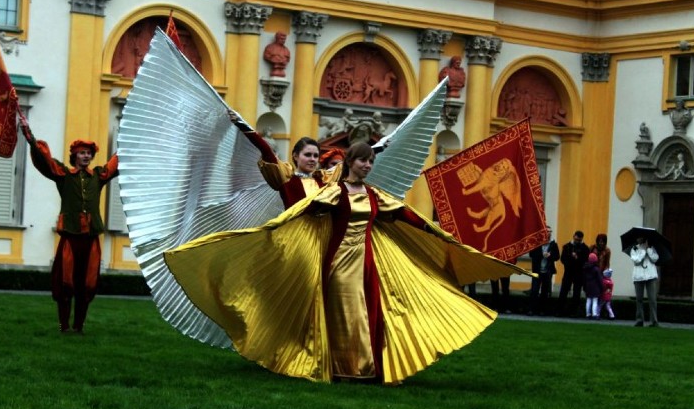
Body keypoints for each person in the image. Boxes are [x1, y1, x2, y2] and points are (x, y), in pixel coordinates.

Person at [163, 141, 525, 384]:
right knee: (342, 313)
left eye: (371, 161)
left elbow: (411, 218)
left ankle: (364, 370)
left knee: (370, 314)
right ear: (349, 163)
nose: (368, 165)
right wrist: (264, 233)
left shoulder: (374, 196)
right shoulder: (333, 192)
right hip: (336, 262)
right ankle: (341, 368)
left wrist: (445, 238)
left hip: (367, 262)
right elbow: (301, 212)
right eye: (363, 160)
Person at [20, 122, 119, 333]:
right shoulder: (64, 176)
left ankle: (79, 326)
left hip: (90, 238)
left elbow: (115, 163)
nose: (86, 156)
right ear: (74, 156)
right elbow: (44, 161)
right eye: (82, 153)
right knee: (66, 283)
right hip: (70, 239)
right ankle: (64, 326)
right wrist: (30, 138)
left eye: (89, 153)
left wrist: (131, 143)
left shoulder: (98, 177)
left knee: (88, 284)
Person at [229, 112, 340, 208]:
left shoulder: (324, 179)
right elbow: (266, 151)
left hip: (319, 232)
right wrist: (242, 124)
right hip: (292, 231)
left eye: (315, 156)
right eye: (307, 155)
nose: (312, 159)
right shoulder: (286, 177)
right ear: (295, 156)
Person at [557, 230, 590, 316]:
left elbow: (585, 261)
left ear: (581, 239)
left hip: (579, 273)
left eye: (579, 240)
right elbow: (563, 259)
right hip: (568, 272)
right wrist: (570, 259)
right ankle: (560, 311)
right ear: (573, 237)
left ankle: (573, 312)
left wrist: (577, 258)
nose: (577, 241)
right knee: (564, 291)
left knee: (577, 293)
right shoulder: (567, 247)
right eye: (576, 239)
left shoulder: (585, 249)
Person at [528, 228, 559, 316]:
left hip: (547, 271)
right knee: (534, 291)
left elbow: (557, 256)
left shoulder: (553, 244)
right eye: (547, 232)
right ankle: (532, 310)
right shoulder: (537, 243)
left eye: (550, 232)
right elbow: (531, 254)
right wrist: (542, 255)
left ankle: (542, 310)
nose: (549, 234)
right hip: (537, 271)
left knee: (545, 292)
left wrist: (550, 255)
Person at [629, 236, 659, 327]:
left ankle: (654, 321)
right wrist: (643, 251)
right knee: (639, 299)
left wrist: (648, 250)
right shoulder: (634, 248)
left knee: (652, 299)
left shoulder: (651, 247)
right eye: (638, 238)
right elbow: (636, 260)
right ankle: (639, 320)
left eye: (641, 238)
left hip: (651, 276)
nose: (639, 239)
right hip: (638, 276)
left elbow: (655, 258)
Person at [582, 252, 602, 319]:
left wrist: (584, 287)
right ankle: (594, 314)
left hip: (587, 286)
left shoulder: (585, 268)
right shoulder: (596, 269)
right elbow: (599, 279)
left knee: (588, 300)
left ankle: (588, 314)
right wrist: (602, 287)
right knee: (595, 301)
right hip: (595, 287)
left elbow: (584, 278)